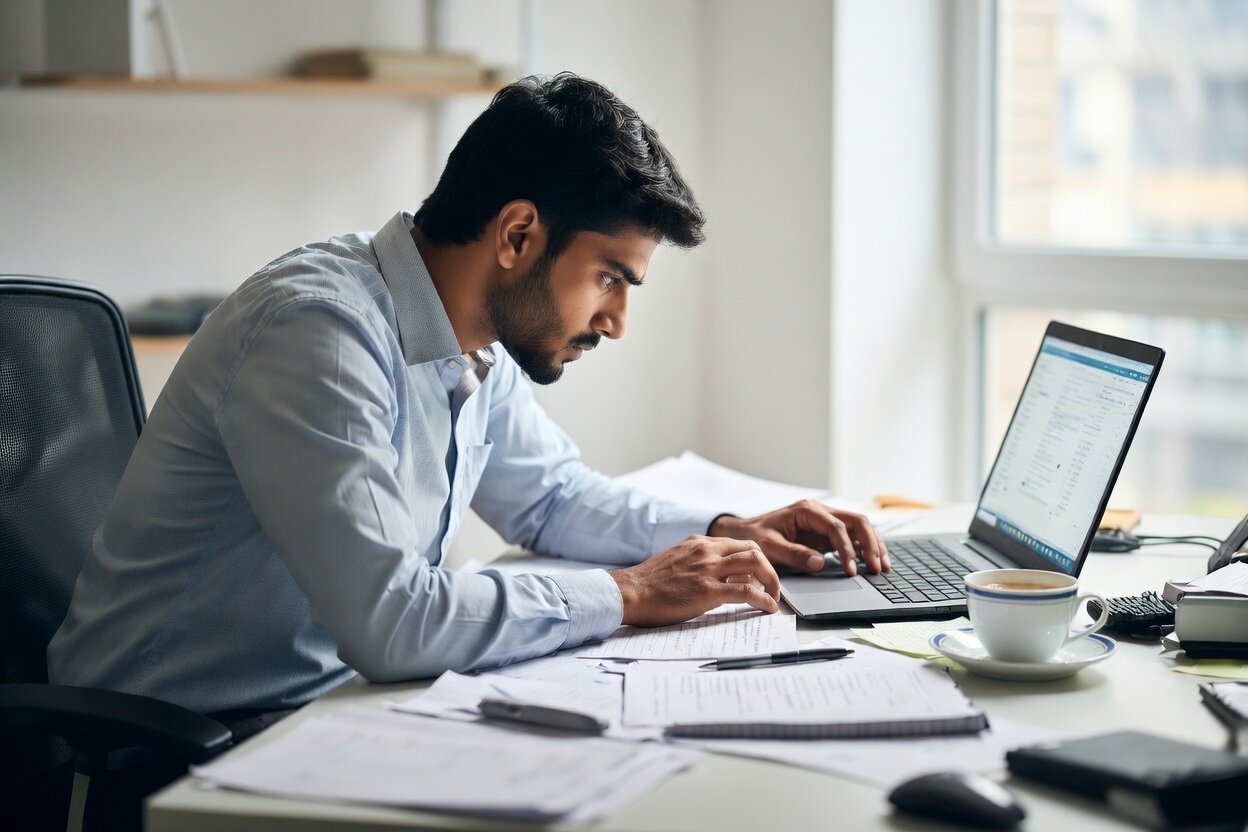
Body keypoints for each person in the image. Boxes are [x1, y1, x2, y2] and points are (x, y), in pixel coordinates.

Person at [48, 72, 888, 718]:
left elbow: (551, 499)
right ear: (518, 235)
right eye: (610, 278)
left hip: (331, 710)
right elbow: (393, 622)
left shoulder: (470, 336)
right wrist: (630, 592)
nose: (617, 321)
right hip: (171, 745)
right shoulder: (318, 335)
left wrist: (725, 532)